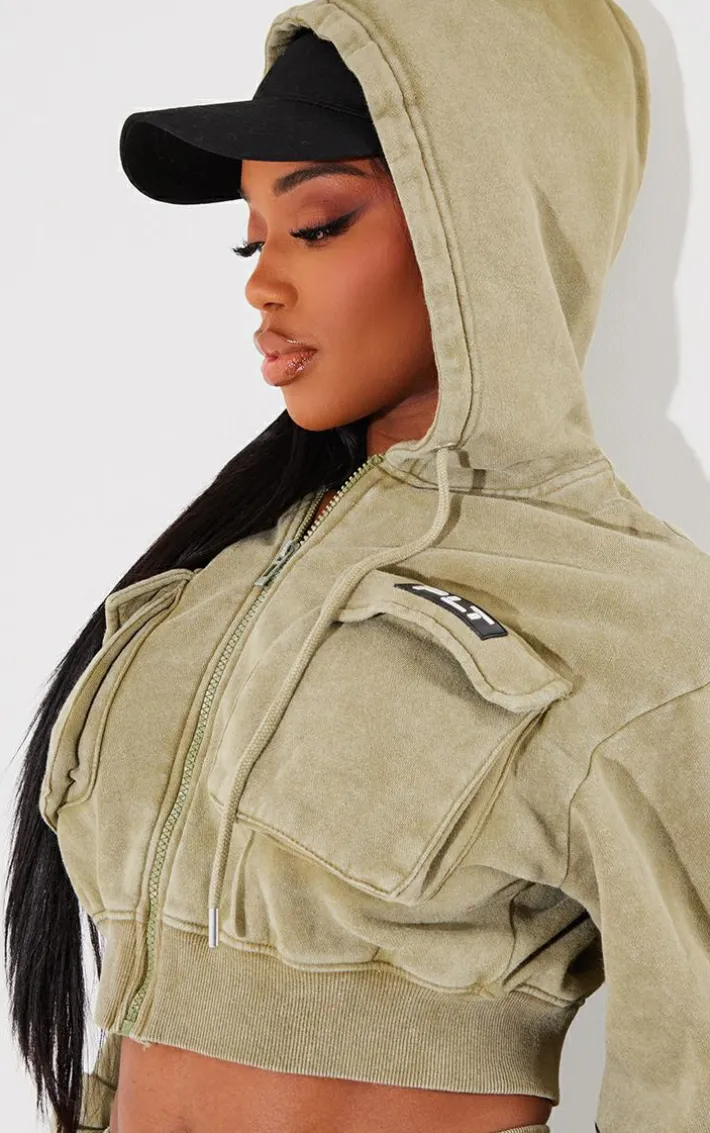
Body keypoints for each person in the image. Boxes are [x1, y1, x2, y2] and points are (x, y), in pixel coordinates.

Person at [9, 2, 710, 1132]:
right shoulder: (220, 578)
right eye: (253, 241)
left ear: (479, 224)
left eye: (319, 224)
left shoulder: (642, 622)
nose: (261, 285)